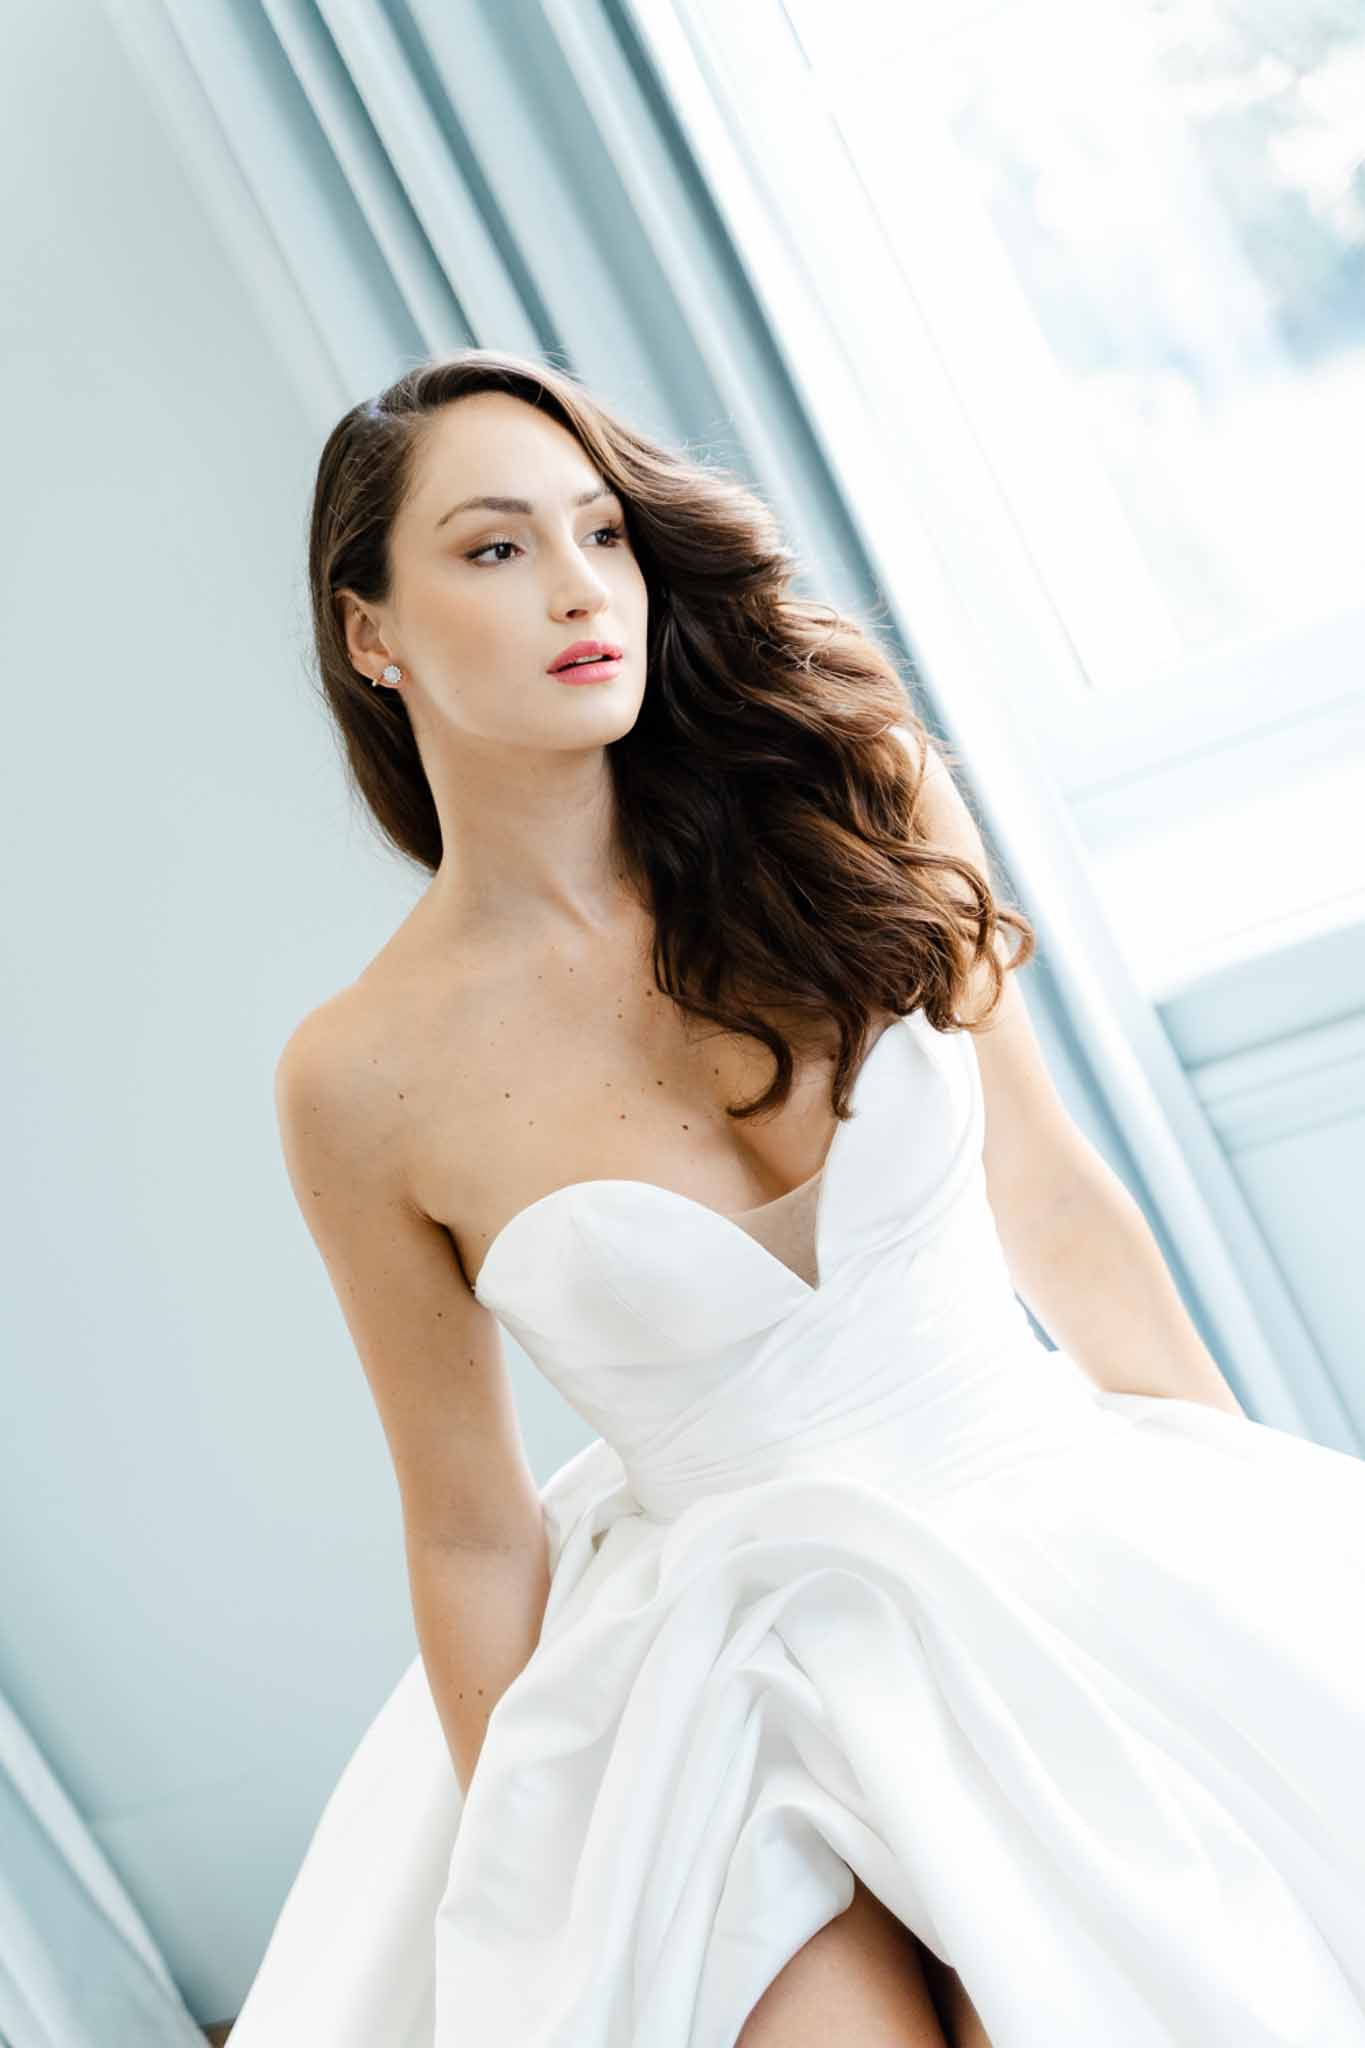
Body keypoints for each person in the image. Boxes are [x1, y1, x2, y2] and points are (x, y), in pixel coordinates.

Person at [228, 347, 1365, 2047]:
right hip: (717, 1675)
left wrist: (1241, 1546)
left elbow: (1054, 1205)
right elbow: (469, 1525)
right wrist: (545, 1868)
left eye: (600, 532)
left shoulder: (853, 796)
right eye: (491, 549)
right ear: (368, 633)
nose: (575, 587)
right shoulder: (360, 1078)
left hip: (1046, 1533)